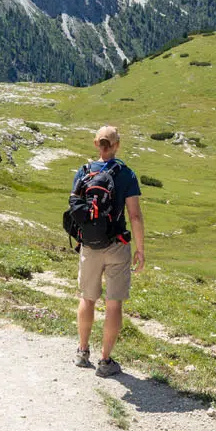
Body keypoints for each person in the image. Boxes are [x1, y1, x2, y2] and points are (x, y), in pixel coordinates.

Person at [70, 125, 145, 378]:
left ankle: (82, 353)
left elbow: (75, 209)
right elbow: (134, 215)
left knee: (87, 298)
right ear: (117, 145)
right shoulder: (127, 174)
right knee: (114, 304)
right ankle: (105, 361)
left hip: (90, 246)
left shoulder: (83, 172)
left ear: (96, 144)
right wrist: (141, 249)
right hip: (117, 246)